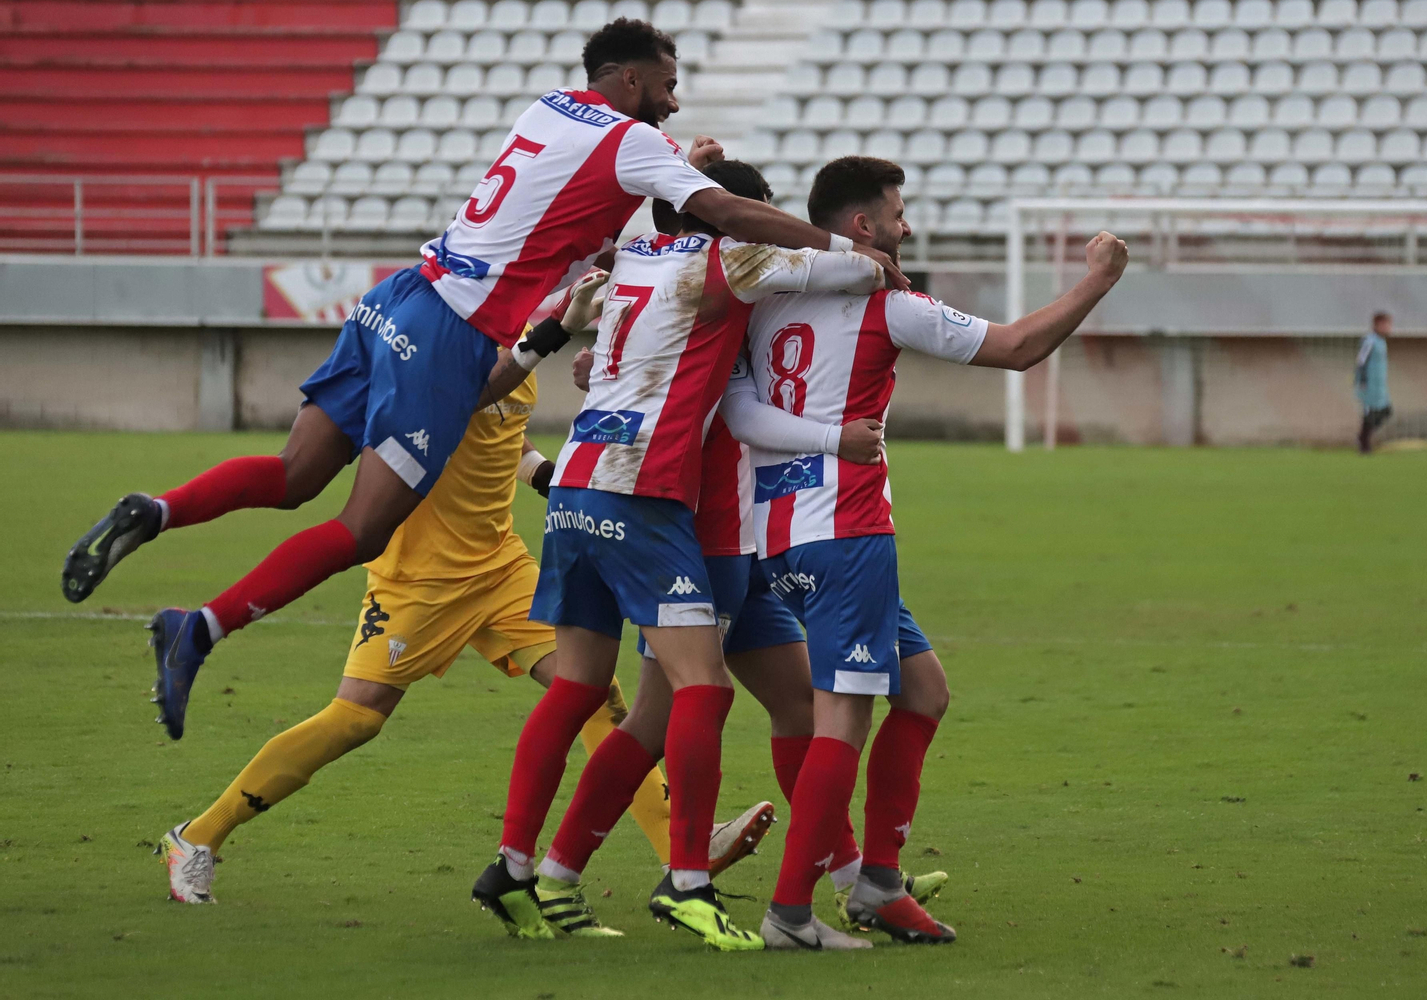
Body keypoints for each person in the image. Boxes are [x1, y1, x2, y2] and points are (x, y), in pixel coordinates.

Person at [59, 18, 905, 743]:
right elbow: (718, 213)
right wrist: (835, 249)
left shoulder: (547, 109)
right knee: (362, 527)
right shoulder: (635, 140)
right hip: (450, 333)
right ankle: (198, 628)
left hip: (400, 294)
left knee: (292, 476)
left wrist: (675, 160)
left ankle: (158, 509)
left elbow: (575, 203)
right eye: (670, 86)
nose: (674, 101)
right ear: (632, 77)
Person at [154, 347, 775, 907]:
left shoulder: (526, 344)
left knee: (591, 693)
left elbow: (509, 440)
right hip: (418, 579)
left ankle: (678, 847)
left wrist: (549, 476)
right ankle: (196, 837)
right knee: (356, 719)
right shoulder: (446, 351)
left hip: (500, 566)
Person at [477, 158, 894, 953]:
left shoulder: (632, 258)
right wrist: (878, 262)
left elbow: (604, 299)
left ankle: (539, 869)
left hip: (585, 486)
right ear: (736, 217)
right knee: (696, 699)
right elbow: (839, 270)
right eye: (753, 214)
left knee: (623, 699)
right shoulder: (737, 267)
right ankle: (695, 881)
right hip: (688, 518)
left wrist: (687, 177)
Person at [731, 156, 1127, 948]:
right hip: (845, 533)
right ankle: (789, 912)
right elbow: (1016, 347)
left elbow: (738, 404)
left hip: (772, 533)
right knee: (841, 720)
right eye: (897, 212)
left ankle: (875, 881)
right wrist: (1099, 281)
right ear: (863, 228)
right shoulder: (887, 302)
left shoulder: (765, 295)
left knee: (923, 690)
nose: (907, 225)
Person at [1356, 311, 1392, 454]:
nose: (1389, 328)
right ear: (1378, 325)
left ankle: (1363, 437)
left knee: (1386, 411)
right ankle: (1364, 444)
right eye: (1387, 325)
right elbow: (1361, 360)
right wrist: (1363, 380)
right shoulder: (1369, 341)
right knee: (1369, 413)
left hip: (1379, 385)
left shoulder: (1381, 342)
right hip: (1368, 385)